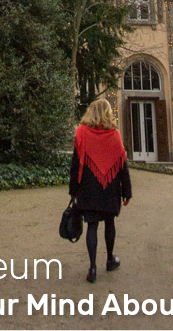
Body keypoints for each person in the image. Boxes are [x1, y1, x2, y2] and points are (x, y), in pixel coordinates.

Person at [69, 98, 131, 283]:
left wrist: (73, 191)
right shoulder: (114, 134)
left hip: (88, 189)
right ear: (107, 113)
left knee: (92, 225)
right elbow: (122, 165)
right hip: (110, 188)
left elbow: (75, 165)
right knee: (110, 223)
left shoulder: (81, 133)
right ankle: (110, 259)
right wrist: (126, 191)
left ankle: (93, 268)